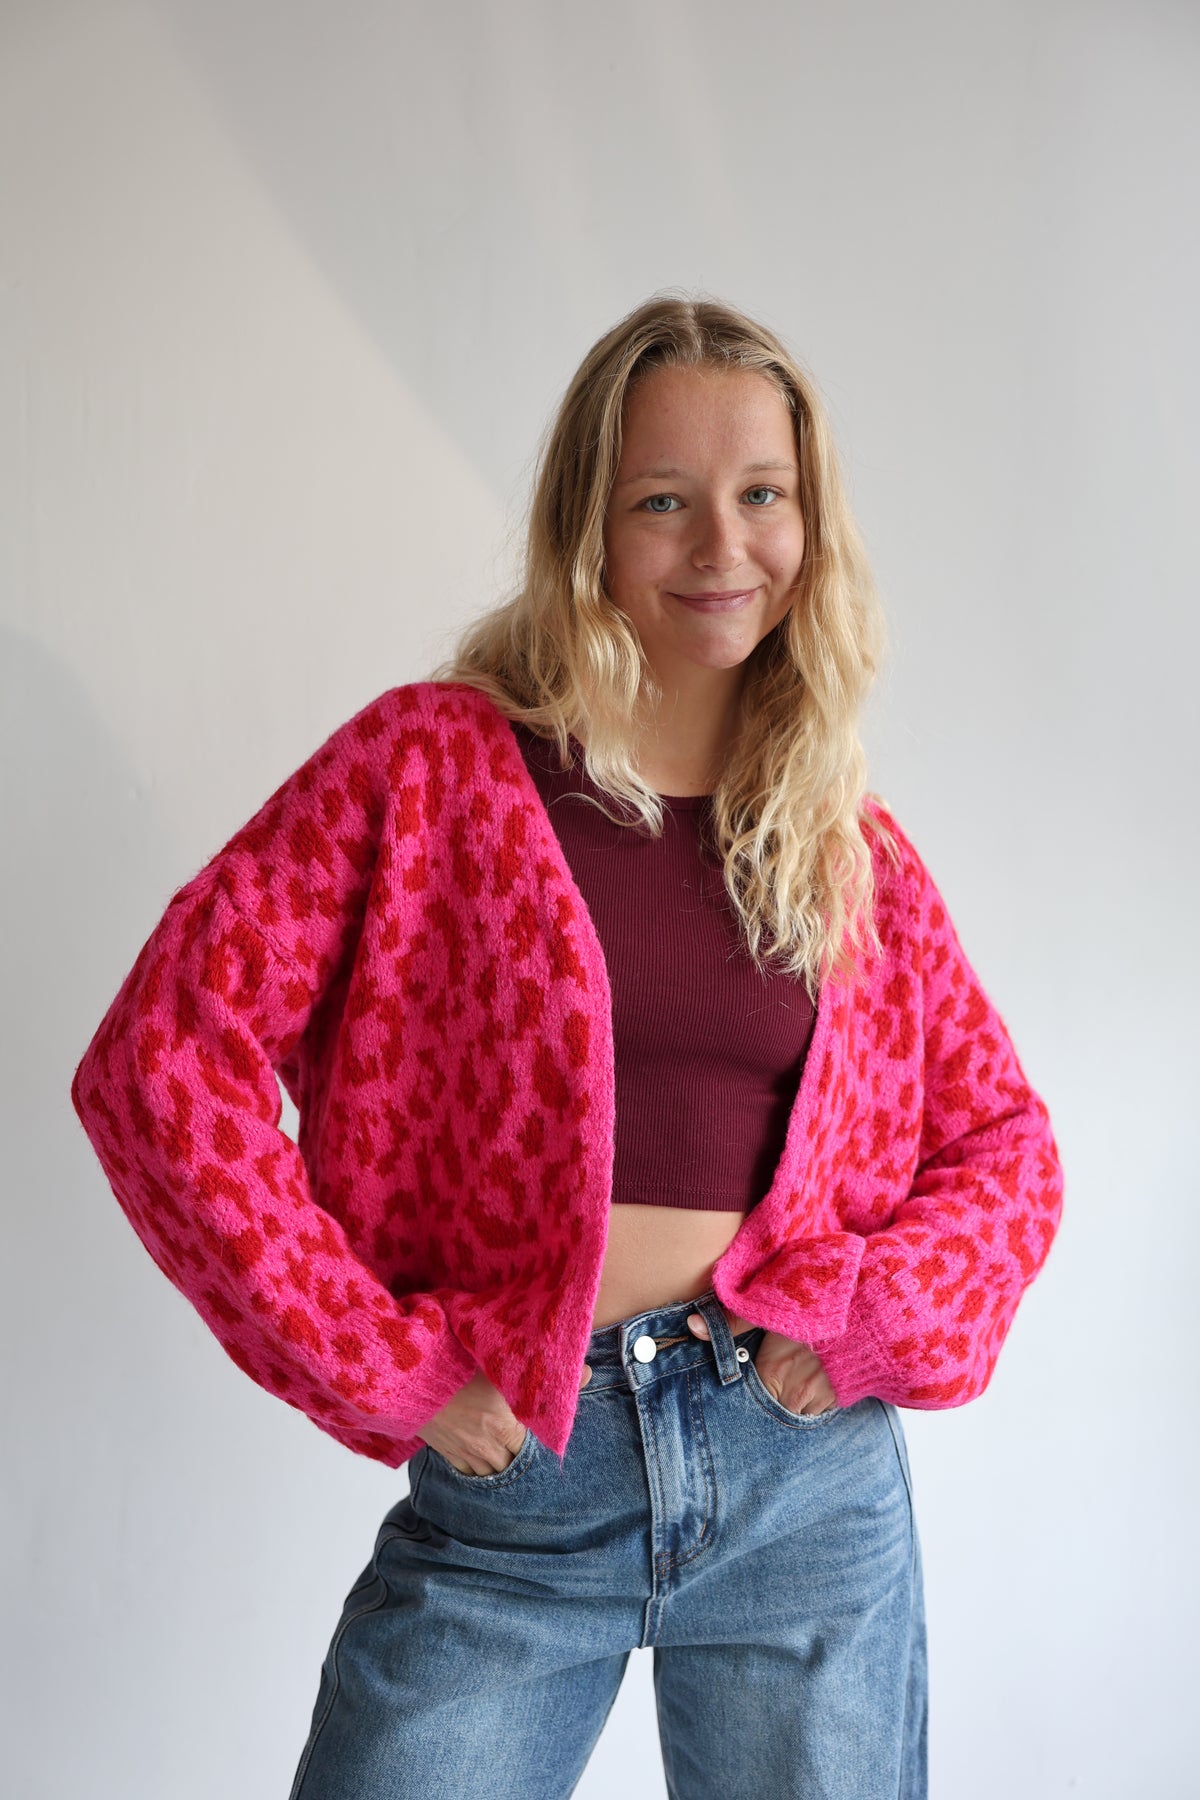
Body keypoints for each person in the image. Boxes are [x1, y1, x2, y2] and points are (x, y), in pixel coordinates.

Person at [70, 293, 1064, 1799]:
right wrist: (379, 1363)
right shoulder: (424, 771)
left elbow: (1005, 1146)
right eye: (664, 501)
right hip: (521, 1486)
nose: (723, 546)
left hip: (804, 1490)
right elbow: (161, 1059)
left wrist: (869, 1316)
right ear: (587, 525)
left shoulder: (841, 845)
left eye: (763, 495)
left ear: (811, 524)